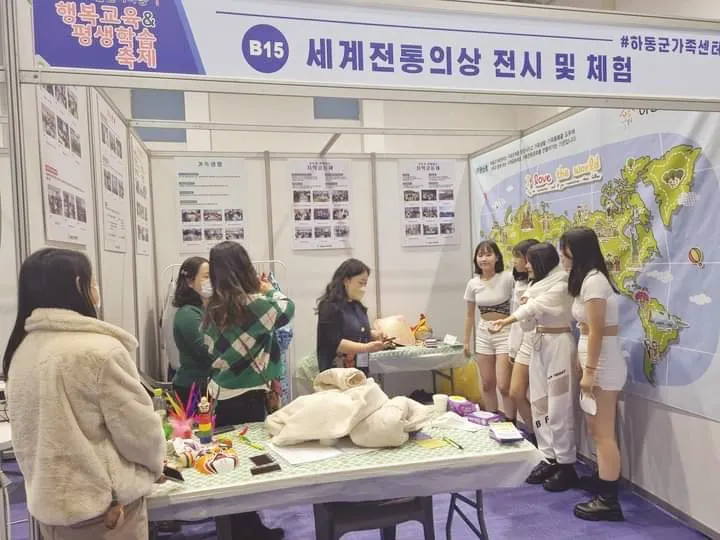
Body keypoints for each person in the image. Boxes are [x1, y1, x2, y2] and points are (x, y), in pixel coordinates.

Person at [3, 248, 166, 539]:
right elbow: (140, 434)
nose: (96, 289)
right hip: (107, 512)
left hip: (50, 509)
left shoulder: (21, 351)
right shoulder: (100, 351)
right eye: (93, 282)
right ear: (79, 284)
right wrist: (155, 466)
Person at [203, 241, 294, 540]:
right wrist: (269, 289)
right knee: (249, 467)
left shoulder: (212, 307)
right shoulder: (256, 304)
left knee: (229, 465)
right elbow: (287, 309)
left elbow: (211, 350)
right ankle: (248, 531)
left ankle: (240, 528)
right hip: (249, 395)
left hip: (220, 393)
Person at [490, 242, 579, 492]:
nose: (526, 265)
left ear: (541, 262)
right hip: (540, 345)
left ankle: (566, 464)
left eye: (529, 261)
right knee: (539, 404)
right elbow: (528, 320)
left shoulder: (561, 284)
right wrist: (521, 314)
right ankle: (548, 456)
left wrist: (507, 320)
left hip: (559, 346)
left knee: (558, 408)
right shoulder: (534, 286)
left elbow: (535, 307)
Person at [560, 227, 626, 522]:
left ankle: (609, 501)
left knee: (603, 433)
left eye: (565, 250)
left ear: (578, 251)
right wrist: (582, 359)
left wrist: (590, 371)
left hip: (604, 363)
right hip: (594, 358)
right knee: (595, 429)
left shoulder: (595, 282)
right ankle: (602, 481)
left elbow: (597, 331)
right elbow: (586, 329)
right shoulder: (586, 280)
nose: (562, 255)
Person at [463, 240, 515, 419]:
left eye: (488, 254)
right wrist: (466, 342)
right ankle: (491, 419)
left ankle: (511, 421)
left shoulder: (507, 278)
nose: (484, 259)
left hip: (505, 332)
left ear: (497, 257)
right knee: (487, 383)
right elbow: (469, 315)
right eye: (480, 255)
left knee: (504, 385)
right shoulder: (473, 283)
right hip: (483, 333)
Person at [316, 258, 387, 373]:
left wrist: (372, 334)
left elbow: (354, 330)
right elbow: (335, 342)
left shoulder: (358, 306)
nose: (363, 288)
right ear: (346, 281)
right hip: (337, 373)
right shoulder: (329, 306)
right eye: (360, 283)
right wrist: (367, 347)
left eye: (365, 284)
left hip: (360, 370)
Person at [508, 238, 540, 443]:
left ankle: (543, 439)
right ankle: (534, 433)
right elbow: (516, 320)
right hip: (523, 342)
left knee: (540, 397)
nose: (515, 261)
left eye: (518, 257)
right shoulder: (519, 283)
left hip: (540, 339)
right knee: (516, 392)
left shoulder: (541, 284)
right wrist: (513, 348)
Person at [172, 256, 213, 404]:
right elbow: (205, 350)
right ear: (190, 282)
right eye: (206, 277)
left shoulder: (204, 309)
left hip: (205, 384)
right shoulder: (188, 314)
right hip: (192, 387)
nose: (211, 281)